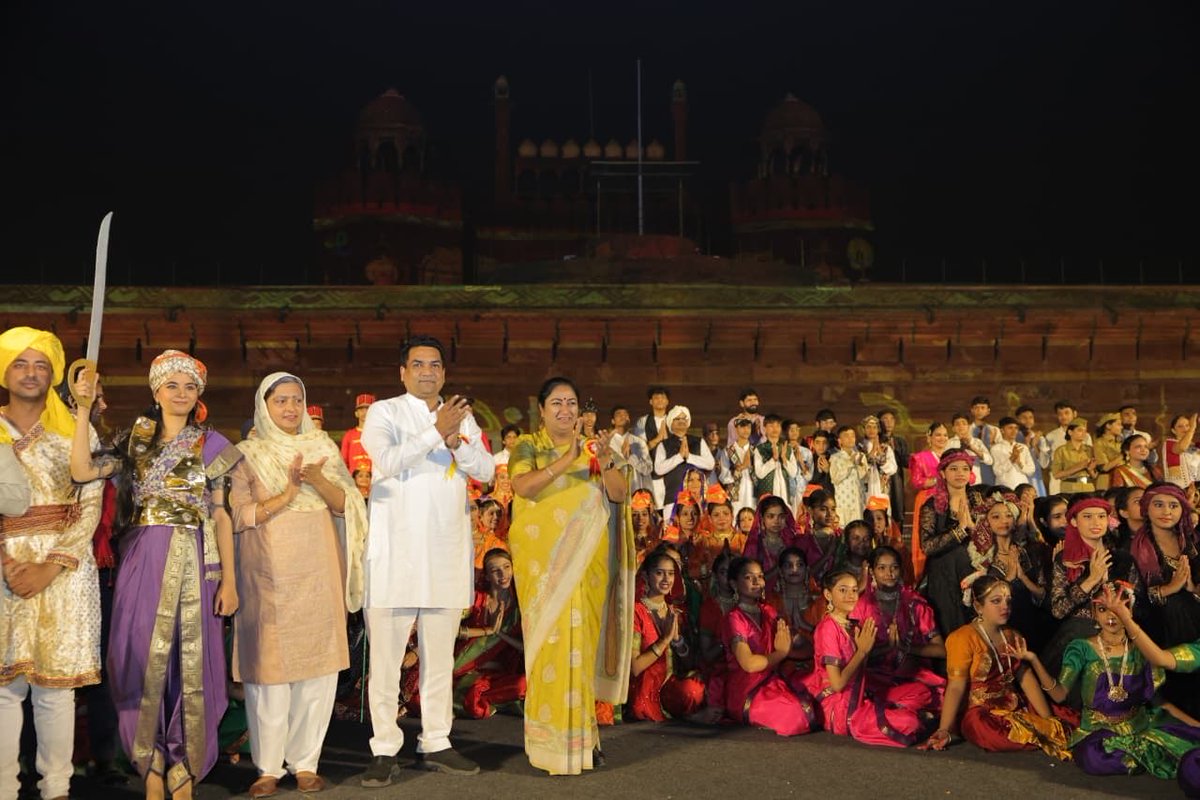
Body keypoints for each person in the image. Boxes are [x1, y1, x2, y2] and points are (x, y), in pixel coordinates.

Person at [68, 348, 236, 800]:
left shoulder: (213, 444)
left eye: (189, 386)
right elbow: (82, 469)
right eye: (171, 385)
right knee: (139, 658)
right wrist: (83, 410)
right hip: (143, 556)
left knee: (193, 662)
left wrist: (232, 583)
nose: (180, 393)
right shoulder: (130, 444)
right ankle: (151, 760)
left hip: (198, 560)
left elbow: (221, 516)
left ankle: (184, 761)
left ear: (198, 394)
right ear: (155, 391)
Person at [358, 336, 495, 787]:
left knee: (439, 657)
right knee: (386, 660)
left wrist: (457, 440)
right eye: (417, 364)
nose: (427, 372)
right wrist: (437, 430)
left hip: (443, 551)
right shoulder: (384, 412)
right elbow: (387, 460)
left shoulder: (460, 413)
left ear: (444, 371)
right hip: (395, 556)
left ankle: (436, 740)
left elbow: (486, 471)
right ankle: (384, 747)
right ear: (402, 372)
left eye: (435, 365)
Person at [228, 372, 368, 798]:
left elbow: (348, 505)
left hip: (318, 567)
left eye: (296, 400)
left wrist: (316, 479)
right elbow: (236, 516)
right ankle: (268, 768)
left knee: (318, 668)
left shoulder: (322, 447)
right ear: (263, 406)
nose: (290, 409)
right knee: (269, 671)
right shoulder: (245, 454)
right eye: (280, 401)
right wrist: (287, 494)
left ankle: (306, 762)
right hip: (266, 572)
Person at [508, 376, 632, 775]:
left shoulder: (597, 449)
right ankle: (548, 746)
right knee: (553, 647)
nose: (565, 410)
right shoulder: (530, 445)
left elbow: (618, 493)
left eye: (572, 403)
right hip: (546, 570)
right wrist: (569, 457)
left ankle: (584, 739)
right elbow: (523, 487)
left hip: (587, 563)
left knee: (582, 649)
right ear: (542, 410)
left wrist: (606, 457)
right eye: (557, 403)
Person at [2, 328, 103, 800]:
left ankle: (56, 789)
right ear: (4, 371)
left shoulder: (75, 430)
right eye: (20, 363)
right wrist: (7, 561)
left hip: (64, 567)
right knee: (4, 688)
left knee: (56, 689)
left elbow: (91, 503)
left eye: (41, 365)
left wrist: (51, 565)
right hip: (5, 566)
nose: (31, 373)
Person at [1014, 583, 1200, 794]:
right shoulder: (1082, 649)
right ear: (1093, 613)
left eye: (1117, 609)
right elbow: (1059, 695)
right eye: (1102, 609)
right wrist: (1034, 660)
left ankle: (1141, 752)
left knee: (1188, 753)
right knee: (1094, 758)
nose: (1111, 617)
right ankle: (1139, 756)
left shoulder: (1143, 649)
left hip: (1139, 727)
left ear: (1129, 610)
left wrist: (1193, 725)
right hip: (1097, 733)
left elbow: (1157, 700)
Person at [921, 575, 1072, 758]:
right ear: (978, 607)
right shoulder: (962, 638)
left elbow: (1025, 678)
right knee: (984, 729)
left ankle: (1043, 732)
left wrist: (1049, 721)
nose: (1005, 607)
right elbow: (955, 686)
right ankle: (1035, 736)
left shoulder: (1013, 635)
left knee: (1066, 721)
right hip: (978, 711)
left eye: (1008, 601)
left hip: (1013, 705)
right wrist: (944, 729)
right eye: (996, 601)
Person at [806, 570, 932, 747]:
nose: (850, 596)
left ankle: (888, 712)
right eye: (843, 590)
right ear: (828, 594)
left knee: (921, 691)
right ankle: (893, 715)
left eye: (854, 590)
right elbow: (837, 684)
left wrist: (888, 646)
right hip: (840, 706)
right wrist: (862, 651)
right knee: (909, 722)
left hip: (860, 694)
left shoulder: (851, 625)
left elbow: (861, 666)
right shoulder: (827, 628)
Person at [1044, 496, 1142, 684]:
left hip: (1119, 637)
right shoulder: (1065, 561)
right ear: (1073, 521)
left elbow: (1139, 604)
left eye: (1101, 516)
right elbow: (1058, 610)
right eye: (1087, 517)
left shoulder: (1122, 559)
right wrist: (1091, 579)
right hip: (1078, 638)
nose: (1096, 522)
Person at [720, 557, 816, 736]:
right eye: (749, 577)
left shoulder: (768, 612)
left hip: (772, 681)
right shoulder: (734, 619)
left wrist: (797, 639)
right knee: (796, 715)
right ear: (734, 583)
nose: (757, 582)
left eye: (760, 576)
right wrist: (781, 653)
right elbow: (748, 664)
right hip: (746, 688)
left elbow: (801, 648)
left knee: (813, 698)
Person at [1129, 482, 1200, 718]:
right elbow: (1133, 599)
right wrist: (1169, 589)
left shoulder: (1189, 540)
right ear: (1146, 508)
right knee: (1176, 605)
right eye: (1158, 505)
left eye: (1173, 506)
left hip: (1191, 610)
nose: (1166, 512)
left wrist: (1192, 587)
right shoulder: (1135, 547)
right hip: (1155, 621)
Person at [852, 546, 944, 706]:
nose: (889, 573)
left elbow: (941, 651)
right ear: (872, 571)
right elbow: (852, 655)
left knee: (937, 693)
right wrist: (886, 648)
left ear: (901, 570)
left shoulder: (915, 604)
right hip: (874, 676)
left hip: (912, 675)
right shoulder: (862, 605)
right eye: (882, 568)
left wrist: (905, 647)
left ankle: (896, 708)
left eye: (894, 567)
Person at [628, 552, 705, 722]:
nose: (666, 579)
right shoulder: (635, 612)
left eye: (670, 574)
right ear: (646, 576)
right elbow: (635, 668)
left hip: (668, 685)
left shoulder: (675, 612)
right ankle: (690, 717)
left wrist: (677, 641)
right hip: (643, 685)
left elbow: (688, 663)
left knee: (695, 687)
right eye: (659, 573)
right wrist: (664, 640)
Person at [916, 449, 985, 635]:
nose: (960, 473)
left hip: (973, 571)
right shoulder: (932, 506)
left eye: (965, 468)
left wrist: (972, 527)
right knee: (951, 626)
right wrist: (960, 530)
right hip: (943, 576)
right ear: (942, 473)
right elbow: (927, 546)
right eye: (953, 469)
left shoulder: (979, 500)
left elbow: (990, 540)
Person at [453, 548, 525, 719]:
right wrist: (487, 631)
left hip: (500, 674)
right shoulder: (477, 599)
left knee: (522, 685)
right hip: (467, 669)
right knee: (474, 704)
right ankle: (491, 702)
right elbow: (450, 628)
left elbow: (525, 647)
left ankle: (473, 701)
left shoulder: (520, 604)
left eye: (507, 567)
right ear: (486, 576)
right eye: (495, 570)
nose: (503, 574)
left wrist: (499, 633)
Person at [908, 422, 951, 583]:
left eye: (945, 435)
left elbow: (971, 477)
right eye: (938, 434)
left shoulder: (952, 456)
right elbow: (917, 481)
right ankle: (923, 578)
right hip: (927, 500)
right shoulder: (920, 458)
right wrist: (939, 478)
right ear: (929, 437)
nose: (942, 438)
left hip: (949, 499)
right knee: (927, 537)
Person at [653, 406, 714, 519]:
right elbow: (658, 469)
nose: (681, 421)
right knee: (672, 534)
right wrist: (679, 457)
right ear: (671, 423)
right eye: (677, 419)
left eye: (684, 418)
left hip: (697, 500)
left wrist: (689, 457)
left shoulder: (699, 441)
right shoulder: (663, 445)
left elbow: (710, 464)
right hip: (672, 498)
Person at [634, 386, 671, 508]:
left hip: (672, 474)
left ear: (667, 401)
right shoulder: (643, 422)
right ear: (650, 401)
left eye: (663, 398)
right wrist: (658, 439)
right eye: (656, 398)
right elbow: (639, 449)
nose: (660, 400)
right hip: (652, 475)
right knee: (654, 508)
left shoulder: (674, 420)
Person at [752, 414, 797, 501]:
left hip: (784, 492)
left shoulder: (787, 448)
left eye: (777, 425)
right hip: (767, 493)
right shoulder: (760, 449)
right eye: (771, 426)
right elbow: (760, 473)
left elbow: (793, 473)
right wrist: (773, 460)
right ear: (764, 428)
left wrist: (784, 458)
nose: (775, 428)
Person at [877, 409, 910, 527]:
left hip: (896, 480)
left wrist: (894, 449)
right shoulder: (876, 440)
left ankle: (897, 541)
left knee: (897, 509)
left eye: (891, 419)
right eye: (885, 419)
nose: (889, 422)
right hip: (880, 480)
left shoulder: (900, 441)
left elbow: (907, 463)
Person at [857, 416, 896, 514]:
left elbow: (893, 468)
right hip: (865, 489)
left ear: (878, 429)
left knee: (882, 516)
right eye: (868, 427)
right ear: (864, 429)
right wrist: (872, 452)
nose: (872, 430)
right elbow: (859, 468)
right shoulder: (859, 447)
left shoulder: (885, 448)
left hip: (881, 488)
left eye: (874, 427)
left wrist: (880, 456)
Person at [829, 425, 868, 524]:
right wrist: (850, 463)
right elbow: (835, 478)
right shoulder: (835, 458)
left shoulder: (861, 456)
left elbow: (865, 479)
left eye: (852, 436)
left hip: (859, 502)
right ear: (839, 441)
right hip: (843, 503)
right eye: (846, 436)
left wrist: (860, 465)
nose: (850, 439)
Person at [990, 416, 1037, 490]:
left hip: (1023, 488)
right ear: (1002, 430)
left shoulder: (1023, 447)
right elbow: (997, 471)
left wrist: (1019, 463)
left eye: (1016, 428)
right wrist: (1012, 458)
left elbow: (1031, 470)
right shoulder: (996, 448)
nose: (1014, 431)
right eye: (1010, 428)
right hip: (1004, 488)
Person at [949, 413, 994, 485]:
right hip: (955, 483)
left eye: (964, 423)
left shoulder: (977, 442)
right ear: (953, 428)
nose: (961, 426)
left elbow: (990, 461)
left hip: (975, 483)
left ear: (968, 426)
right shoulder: (949, 443)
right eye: (957, 424)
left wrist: (973, 449)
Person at [339, 393, 374, 473]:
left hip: (374, 481)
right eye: (361, 410)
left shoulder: (379, 435)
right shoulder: (349, 435)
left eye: (368, 409)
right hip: (353, 480)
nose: (365, 413)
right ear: (356, 413)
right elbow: (343, 461)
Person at [472, 497, 508, 569]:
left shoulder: (501, 541)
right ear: (480, 517)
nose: (496, 517)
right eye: (491, 513)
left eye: (498, 513)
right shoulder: (473, 536)